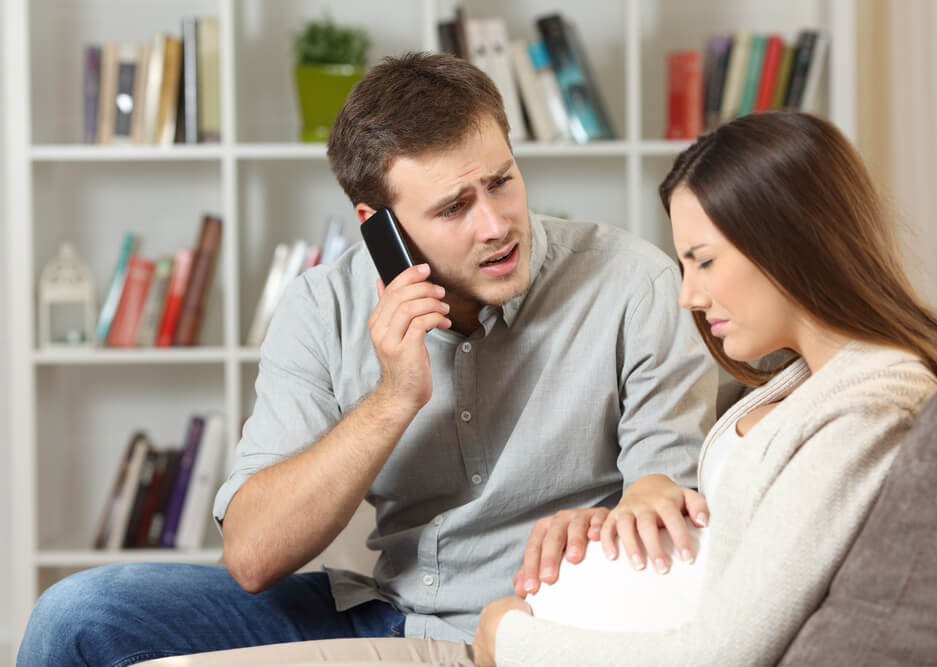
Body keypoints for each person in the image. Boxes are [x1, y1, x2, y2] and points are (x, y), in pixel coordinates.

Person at [16, 53, 716, 666]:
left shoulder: (634, 284)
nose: (497, 225)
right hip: (387, 604)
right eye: (454, 207)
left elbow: (659, 501)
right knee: (77, 615)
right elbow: (254, 555)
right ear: (377, 227)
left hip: (542, 621)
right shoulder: (324, 307)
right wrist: (393, 396)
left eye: (502, 181)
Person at [473, 110, 937, 666]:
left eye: (703, 262)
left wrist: (508, 638)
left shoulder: (873, 406)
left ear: (791, 243)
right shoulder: (812, 376)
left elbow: (724, 652)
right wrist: (616, 520)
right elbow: (734, 538)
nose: (688, 297)